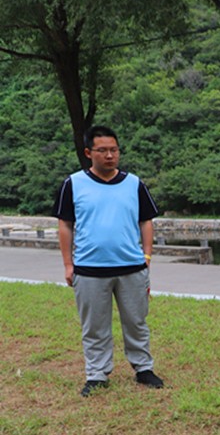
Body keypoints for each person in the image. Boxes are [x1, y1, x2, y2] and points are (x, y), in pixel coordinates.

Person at [53, 125, 165, 397]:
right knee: (94, 326)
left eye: (114, 150)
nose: (109, 155)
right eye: (102, 150)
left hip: (131, 268)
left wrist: (146, 256)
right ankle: (97, 374)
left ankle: (143, 368)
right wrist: (68, 264)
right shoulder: (73, 184)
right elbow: (65, 224)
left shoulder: (134, 184)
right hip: (89, 269)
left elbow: (146, 221)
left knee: (136, 322)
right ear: (88, 153)